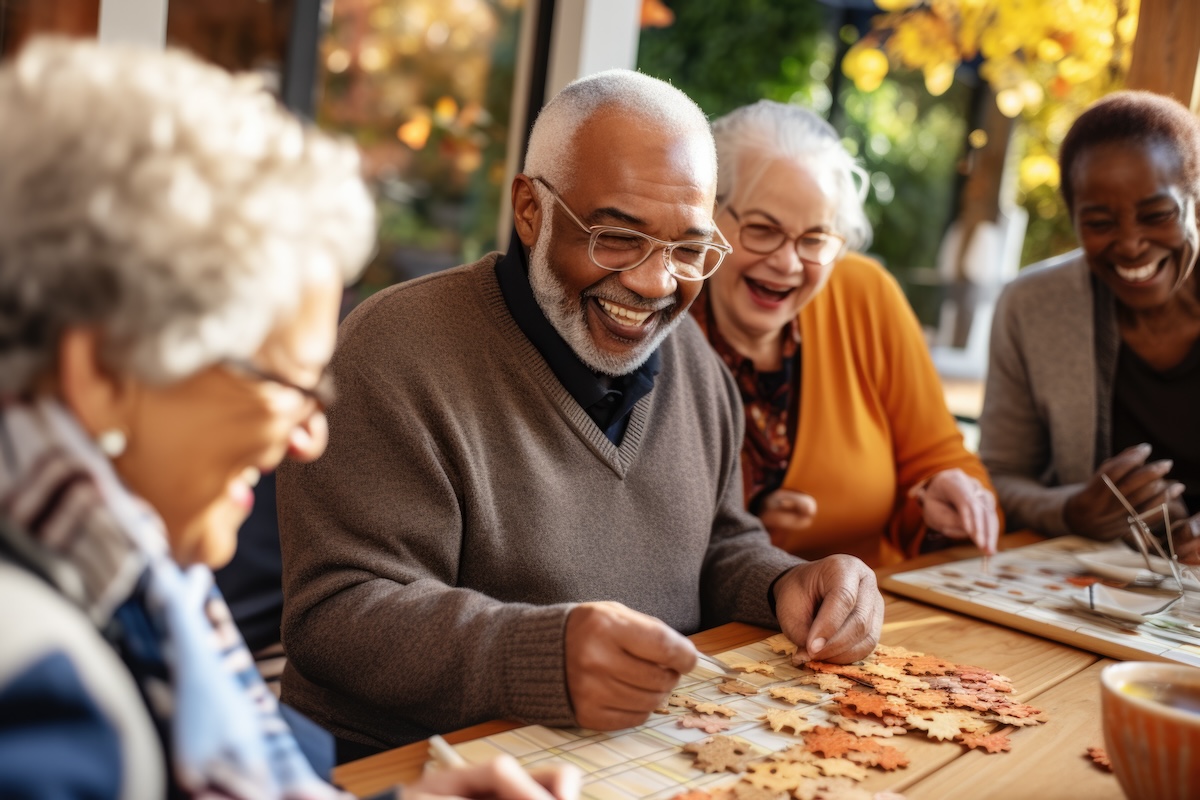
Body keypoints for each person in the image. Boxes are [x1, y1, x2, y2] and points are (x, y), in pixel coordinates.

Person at [0, 38, 576, 800]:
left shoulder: (133, 576)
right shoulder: (37, 701)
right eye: (286, 383)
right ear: (104, 374)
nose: (312, 435)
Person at [277, 70, 885, 755]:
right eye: (617, 238)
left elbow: (716, 544)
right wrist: (540, 656)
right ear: (530, 210)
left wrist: (783, 583)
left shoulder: (697, 364)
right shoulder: (393, 348)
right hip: (415, 769)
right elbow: (336, 613)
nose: (656, 283)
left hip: (636, 754)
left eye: (688, 249)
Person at [693, 100, 1000, 567]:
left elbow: (939, 460)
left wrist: (939, 502)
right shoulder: (663, 313)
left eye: (814, 239)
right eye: (762, 229)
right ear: (708, 215)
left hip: (863, 618)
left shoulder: (865, 296)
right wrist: (747, 538)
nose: (788, 263)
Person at [979, 90, 1200, 562]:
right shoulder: (1031, 306)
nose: (1131, 244)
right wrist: (1071, 510)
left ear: (1196, 199)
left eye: (1157, 215)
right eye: (1099, 222)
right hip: (1096, 584)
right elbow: (999, 475)